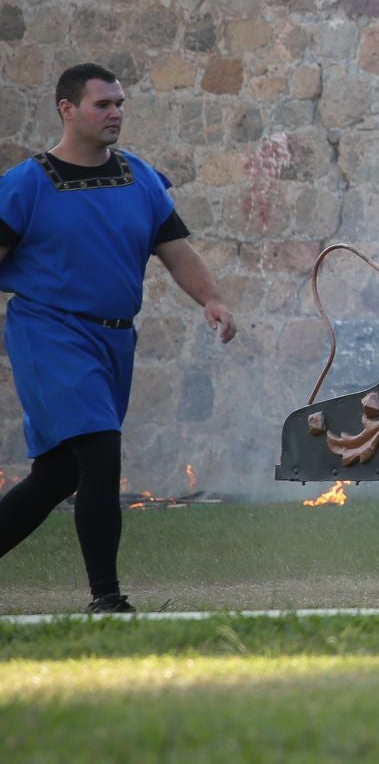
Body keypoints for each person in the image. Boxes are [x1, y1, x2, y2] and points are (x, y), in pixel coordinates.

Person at [0, 63, 236, 614]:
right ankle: (107, 598)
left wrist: (214, 300)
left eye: (119, 104)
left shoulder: (140, 179)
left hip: (114, 340)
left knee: (58, 473)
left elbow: (177, 251)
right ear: (67, 109)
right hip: (49, 333)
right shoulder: (26, 185)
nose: (115, 114)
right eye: (102, 104)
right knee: (101, 451)